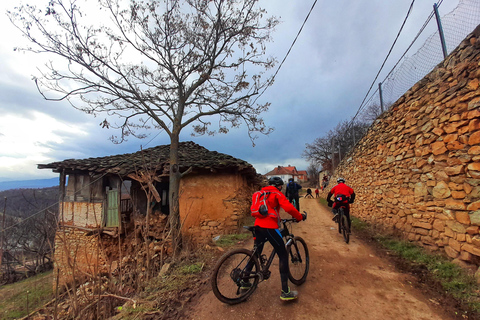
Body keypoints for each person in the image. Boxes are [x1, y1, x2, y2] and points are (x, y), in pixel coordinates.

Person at [249, 176, 306, 301]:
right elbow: (289, 208)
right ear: (279, 186)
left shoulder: (259, 193)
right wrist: (299, 216)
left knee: (256, 253)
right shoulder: (276, 193)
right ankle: (285, 292)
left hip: (257, 226)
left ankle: (244, 280)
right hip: (269, 227)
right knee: (283, 255)